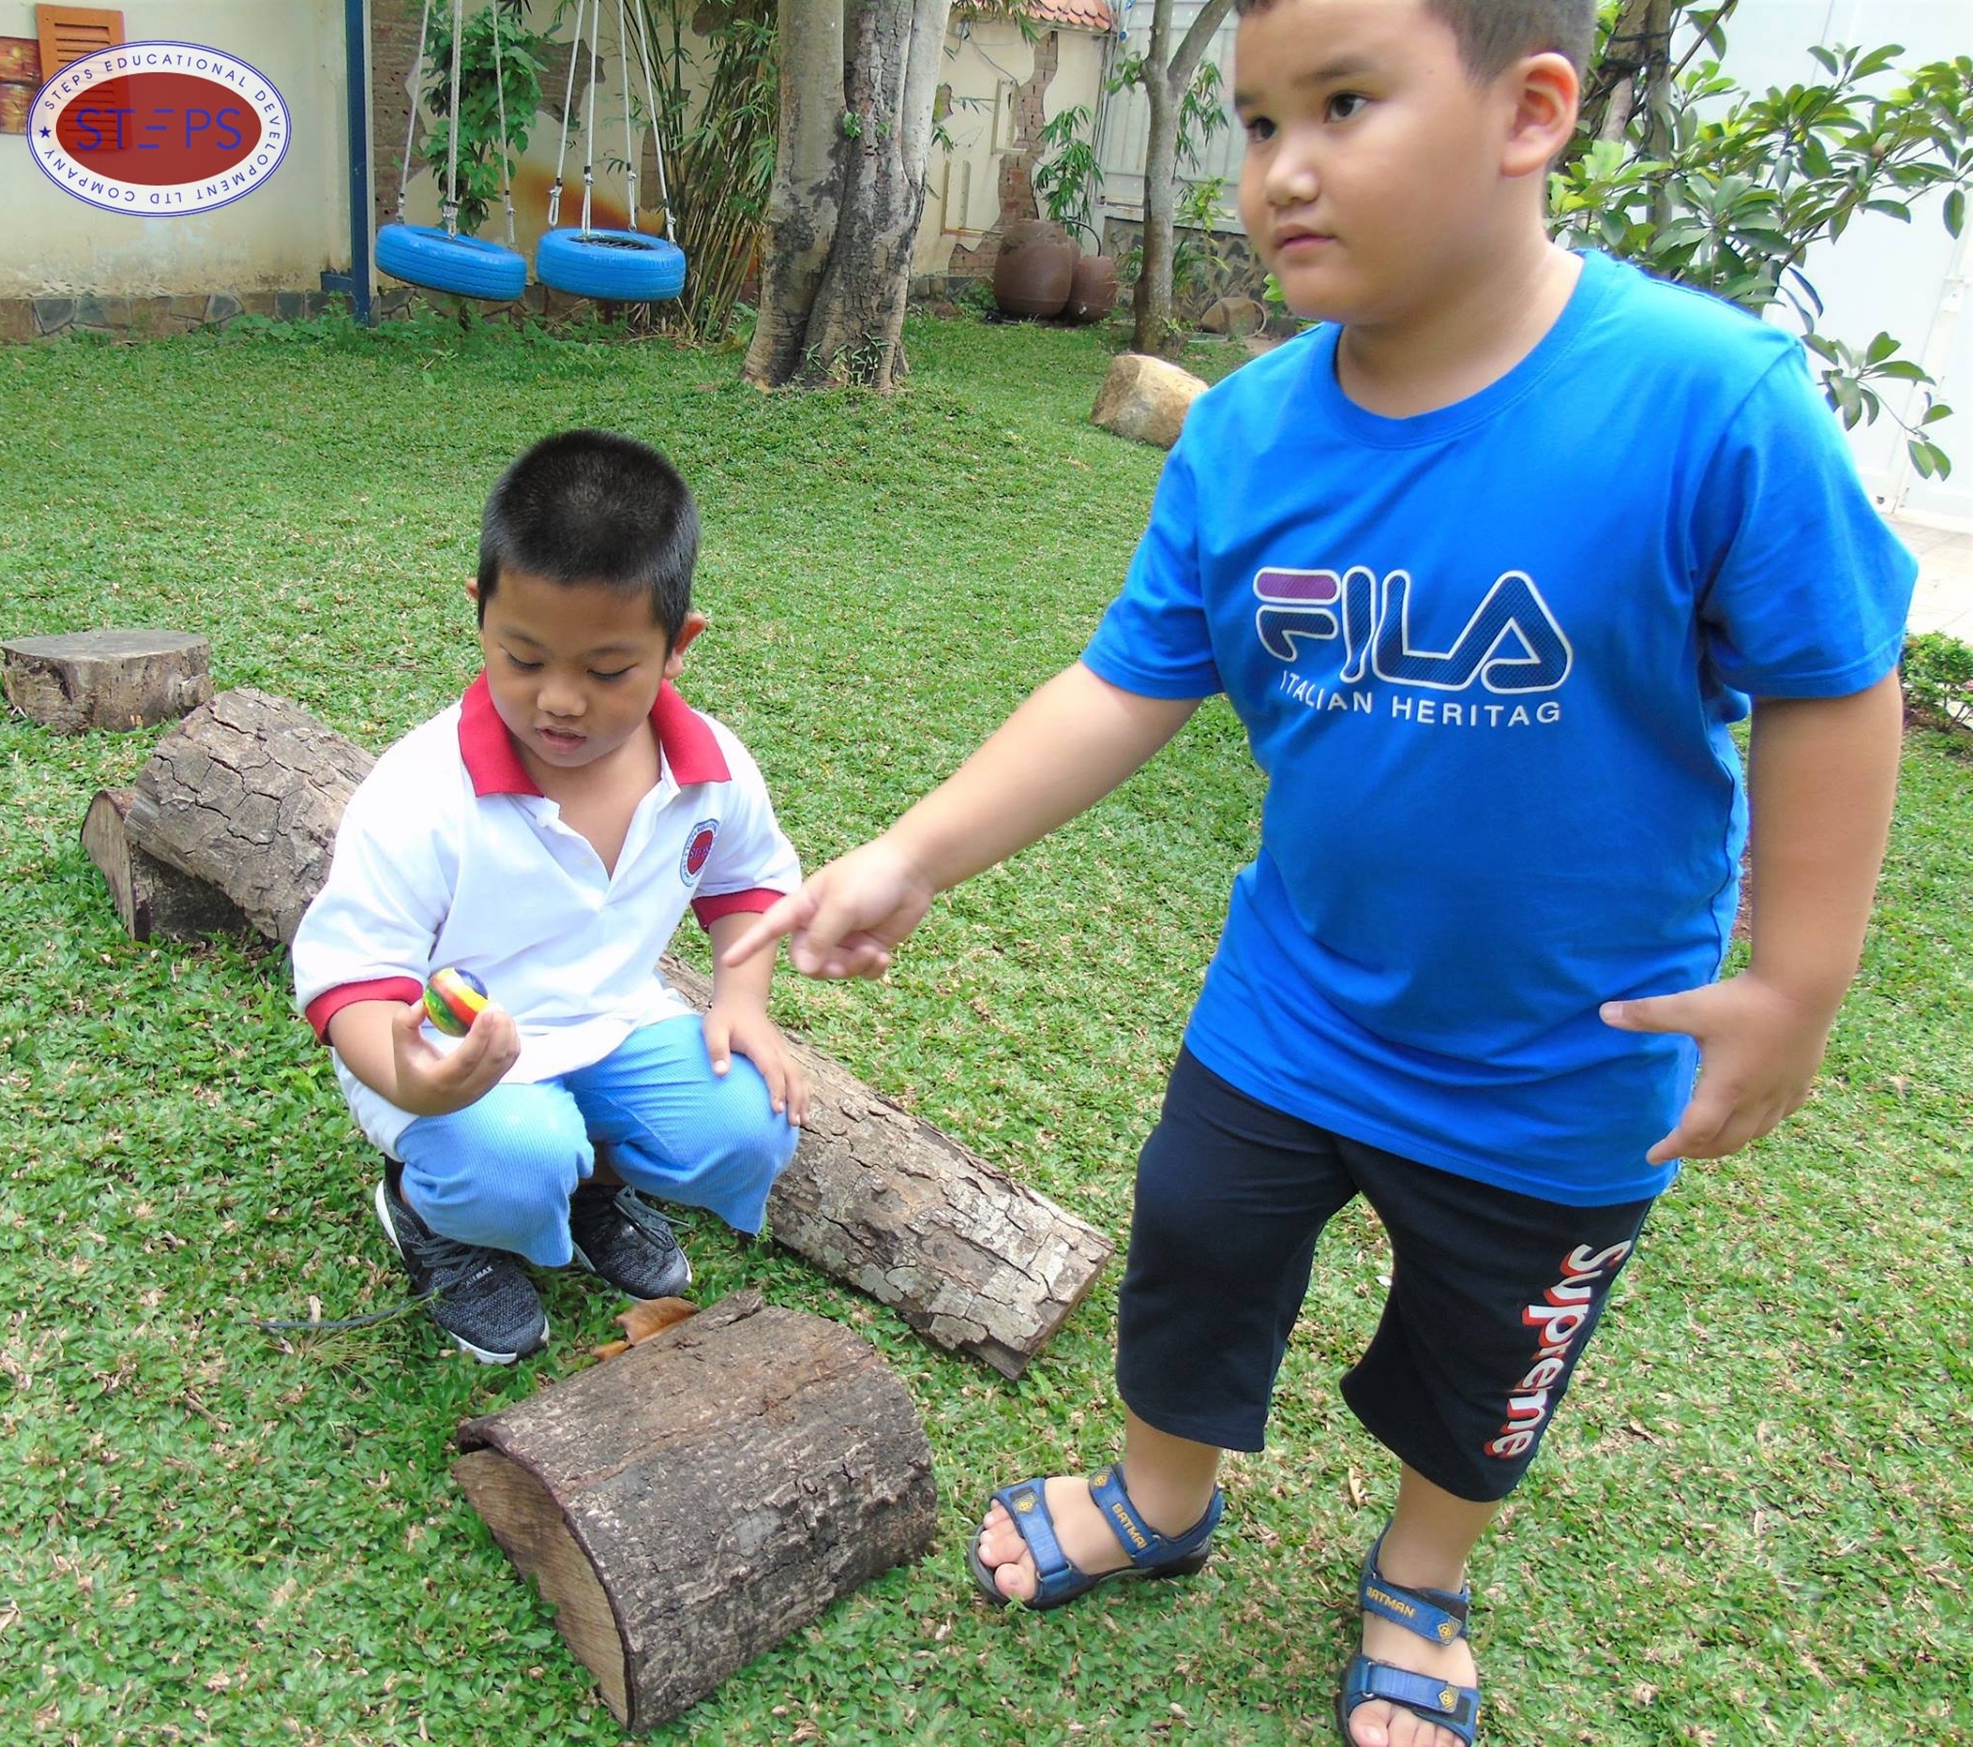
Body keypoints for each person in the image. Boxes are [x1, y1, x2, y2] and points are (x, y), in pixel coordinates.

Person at [721, 0, 1916, 1739]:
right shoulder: (1251, 434)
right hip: (1295, 1006)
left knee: (1488, 1359)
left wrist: (1797, 978)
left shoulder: (1707, 403)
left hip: (1566, 1057)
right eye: (1259, 117)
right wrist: (915, 852)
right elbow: (1124, 681)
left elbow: (1835, 680)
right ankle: (1161, 1494)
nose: (1280, 167)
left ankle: (1420, 1575)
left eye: (1344, 104)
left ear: (1531, 113)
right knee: (1192, 1243)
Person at [294, 429, 808, 1367]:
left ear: (678, 645)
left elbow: (749, 884)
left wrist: (743, 1001)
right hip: (451, 1047)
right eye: (523, 658)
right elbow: (348, 983)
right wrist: (414, 1079)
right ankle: (430, 1215)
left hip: (612, 1022)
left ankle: (595, 1187)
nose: (559, 700)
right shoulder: (421, 791)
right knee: (517, 1154)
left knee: (751, 1123)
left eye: (606, 670)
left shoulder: (712, 769)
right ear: (479, 614)